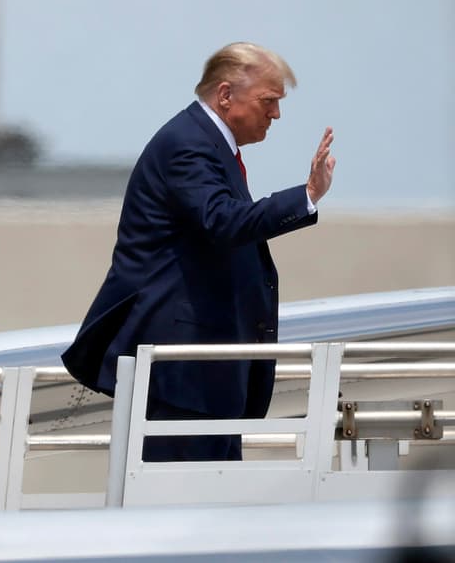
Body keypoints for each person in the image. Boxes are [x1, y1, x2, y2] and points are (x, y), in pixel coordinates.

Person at [61, 42, 336, 462]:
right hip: (183, 375)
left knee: (211, 497)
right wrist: (307, 195)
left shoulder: (210, 145)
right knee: (178, 497)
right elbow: (222, 221)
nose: (276, 114)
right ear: (226, 95)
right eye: (268, 101)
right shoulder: (188, 144)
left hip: (209, 376)